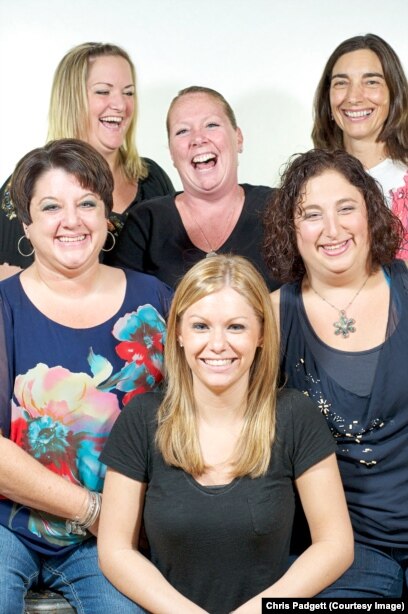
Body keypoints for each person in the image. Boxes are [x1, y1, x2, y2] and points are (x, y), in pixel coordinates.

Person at [98, 254, 353, 613]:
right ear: (179, 334)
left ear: (261, 334)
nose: (217, 344)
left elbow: (335, 544)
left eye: (236, 327)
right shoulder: (141, 419)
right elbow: (115, 550)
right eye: (201, 326)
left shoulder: (295, 415)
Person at [0, 138, 172, 613]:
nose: (71, 220)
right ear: (26, 223)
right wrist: (92, 509)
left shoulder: (155, 300)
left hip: (113, 539)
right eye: (51, 206)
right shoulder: (3, 306)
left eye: (87, 203)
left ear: (107, 216)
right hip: (7, 525)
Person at [264, 148, 408, 597]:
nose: (332, 229)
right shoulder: (272, 316)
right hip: (341, 548)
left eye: (346, 208)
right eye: (312, 214)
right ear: (291, 229)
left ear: (370, 212)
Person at [0, 41, 174, 280]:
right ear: (72, 100)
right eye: (103, 91)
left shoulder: (152, 178)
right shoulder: (28, 185)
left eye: (128, 92)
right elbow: (12, 292)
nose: (121, 105)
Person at [105, 85, 280, 291]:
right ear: (172, 153)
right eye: (183, 131)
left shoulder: (279, 209)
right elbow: (122, 302)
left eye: (211, 125)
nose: (198, 139)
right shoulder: (146, 222)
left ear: (238, 138)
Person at [312, 33, 408, 258]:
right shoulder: (308, 184)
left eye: (371, 82)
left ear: (394, 94)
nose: (354, 97)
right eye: (341, 83)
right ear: (328, 99)